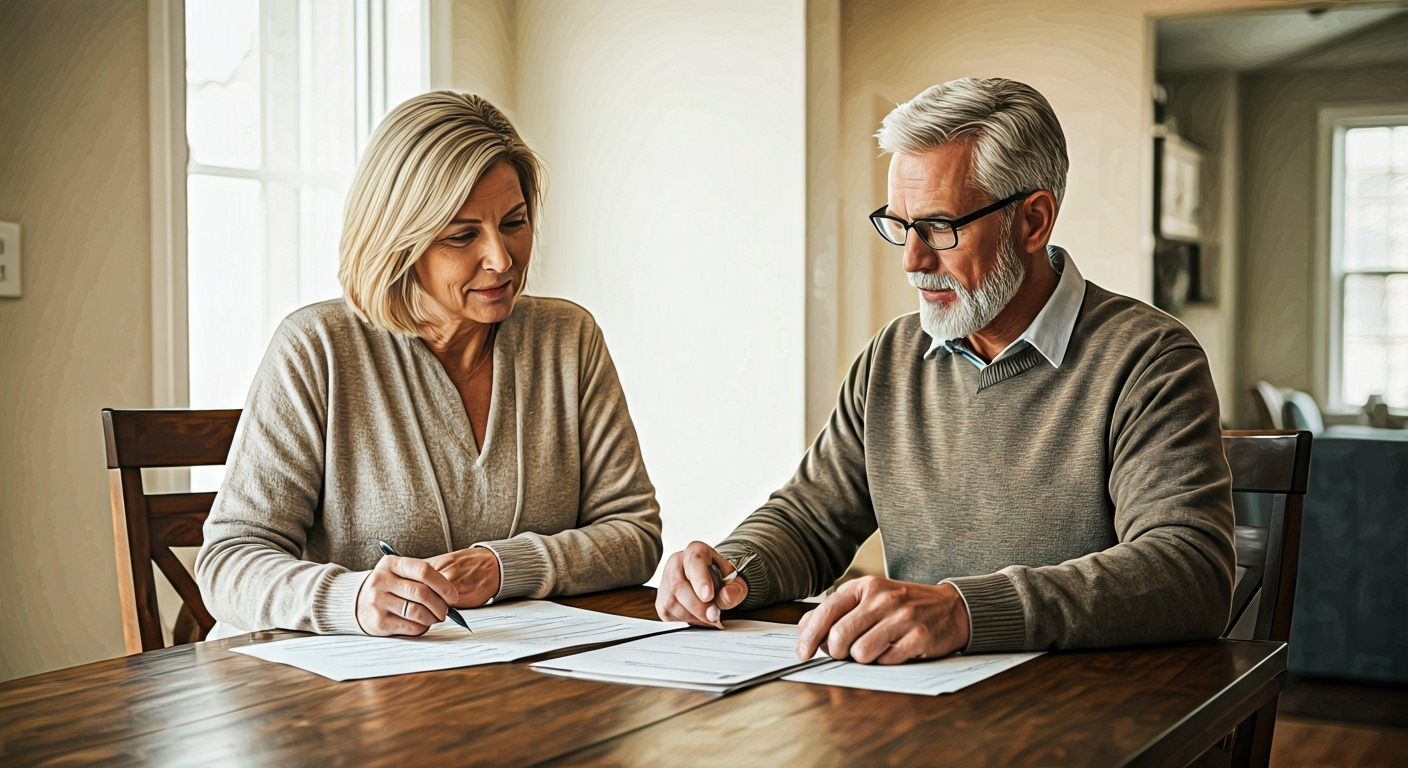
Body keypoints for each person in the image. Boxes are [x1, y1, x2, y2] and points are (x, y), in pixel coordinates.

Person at [657, 77, 1235, 664]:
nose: (912, 260)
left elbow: (1190, 570)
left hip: (1082, 721)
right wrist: (731, 571)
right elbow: (810, 520)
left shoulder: (1149, 359)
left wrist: (963, 611)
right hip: (915, 709)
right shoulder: (891, 357)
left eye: (939, 227)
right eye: (900, 225)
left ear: (1033, 222)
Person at [197, 92, 662, 638]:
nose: (502, 258)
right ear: (399, 242)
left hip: (515, 683)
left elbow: (634, 535)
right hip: (339, 700)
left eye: (514, 222)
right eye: (463, 236)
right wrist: (352, 599)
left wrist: (500, 568)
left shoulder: (568, 339)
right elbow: (227, 563)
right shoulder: (316, 348)